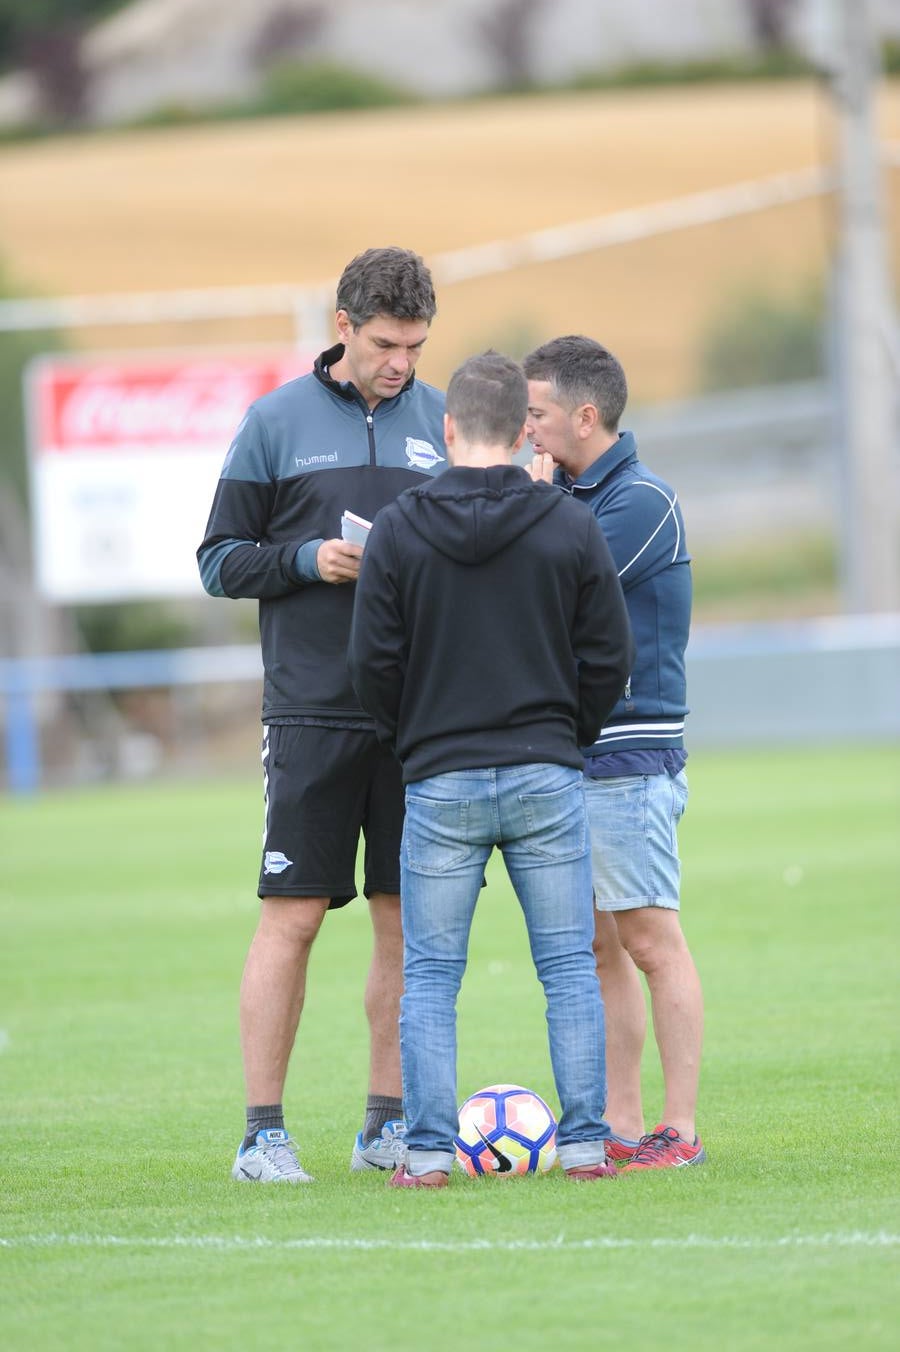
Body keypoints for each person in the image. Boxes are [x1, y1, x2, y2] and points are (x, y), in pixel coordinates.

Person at [348, 351, 635, 1187]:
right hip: (547, 771)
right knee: (569, 969)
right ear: (521, 432)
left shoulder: (398, 528)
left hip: (441, 777)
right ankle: (585, 1146)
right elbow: (607, 656)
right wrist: (566, 734)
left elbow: (372, 662)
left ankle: (430, 1155)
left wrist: (416, 742)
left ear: (445, 431)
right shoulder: (568, 522)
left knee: (430, 978)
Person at [197, 246, 447, 1183]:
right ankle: (263, 1135)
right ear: (342, 326)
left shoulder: (442, 422)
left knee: (402, 921)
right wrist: (308, 561)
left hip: (419, 718)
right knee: (292, 917)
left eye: (417, 346)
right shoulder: (273, 423)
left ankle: (385, 1126)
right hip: (309, 713)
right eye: (386, 343)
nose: (402, 363)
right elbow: (219, 560)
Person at [523, 334, 706, 1171]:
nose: (526, 429)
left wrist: (523, 507)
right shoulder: (565, 496)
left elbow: (555, 589)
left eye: (538, 413)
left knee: (650, 939)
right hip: (571, 755)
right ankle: (623, 1125)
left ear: (584, 417)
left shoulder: (640, 501)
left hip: (629, 758)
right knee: (599, 947)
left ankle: (679, 1128)